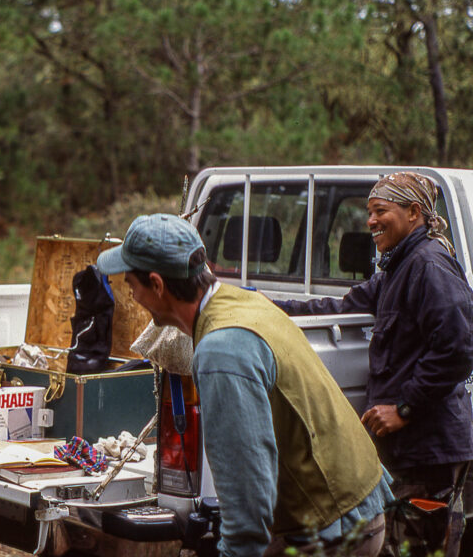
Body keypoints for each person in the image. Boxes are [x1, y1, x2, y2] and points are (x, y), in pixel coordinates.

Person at [97, 213, 392, 557]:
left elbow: (248, 503)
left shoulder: (222, 351)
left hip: (333, 527)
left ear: (157, 285)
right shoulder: (244, 302)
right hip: (352, 503)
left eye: (131, 283)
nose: (131, 295)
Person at [274, 172, 473, 557]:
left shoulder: (430, 266)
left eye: (380, 210)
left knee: (419, 547)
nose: (370, 221)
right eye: (369, 212)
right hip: (410, 450)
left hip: (429, 449)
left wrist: (404, 408)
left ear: (414, 212)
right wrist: (271, 308)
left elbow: (459, 348)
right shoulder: (398, 267)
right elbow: (340, 307)